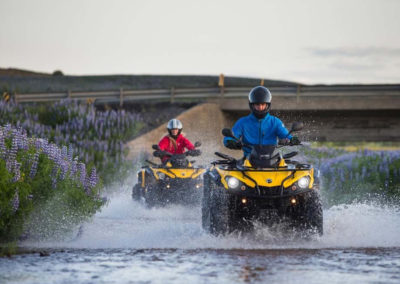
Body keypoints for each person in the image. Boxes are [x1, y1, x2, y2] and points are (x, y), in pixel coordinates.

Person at [223, 86, 300, 156]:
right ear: (252, 105)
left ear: (267, 105)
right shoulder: (242, 122)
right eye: (257, 104)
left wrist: (292, 139)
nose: (260, 107)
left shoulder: (275, 122)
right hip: (248, 161)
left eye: (263, 104)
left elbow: (285, 135)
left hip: (272, 159)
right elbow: (230, 137)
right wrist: (230, 142)